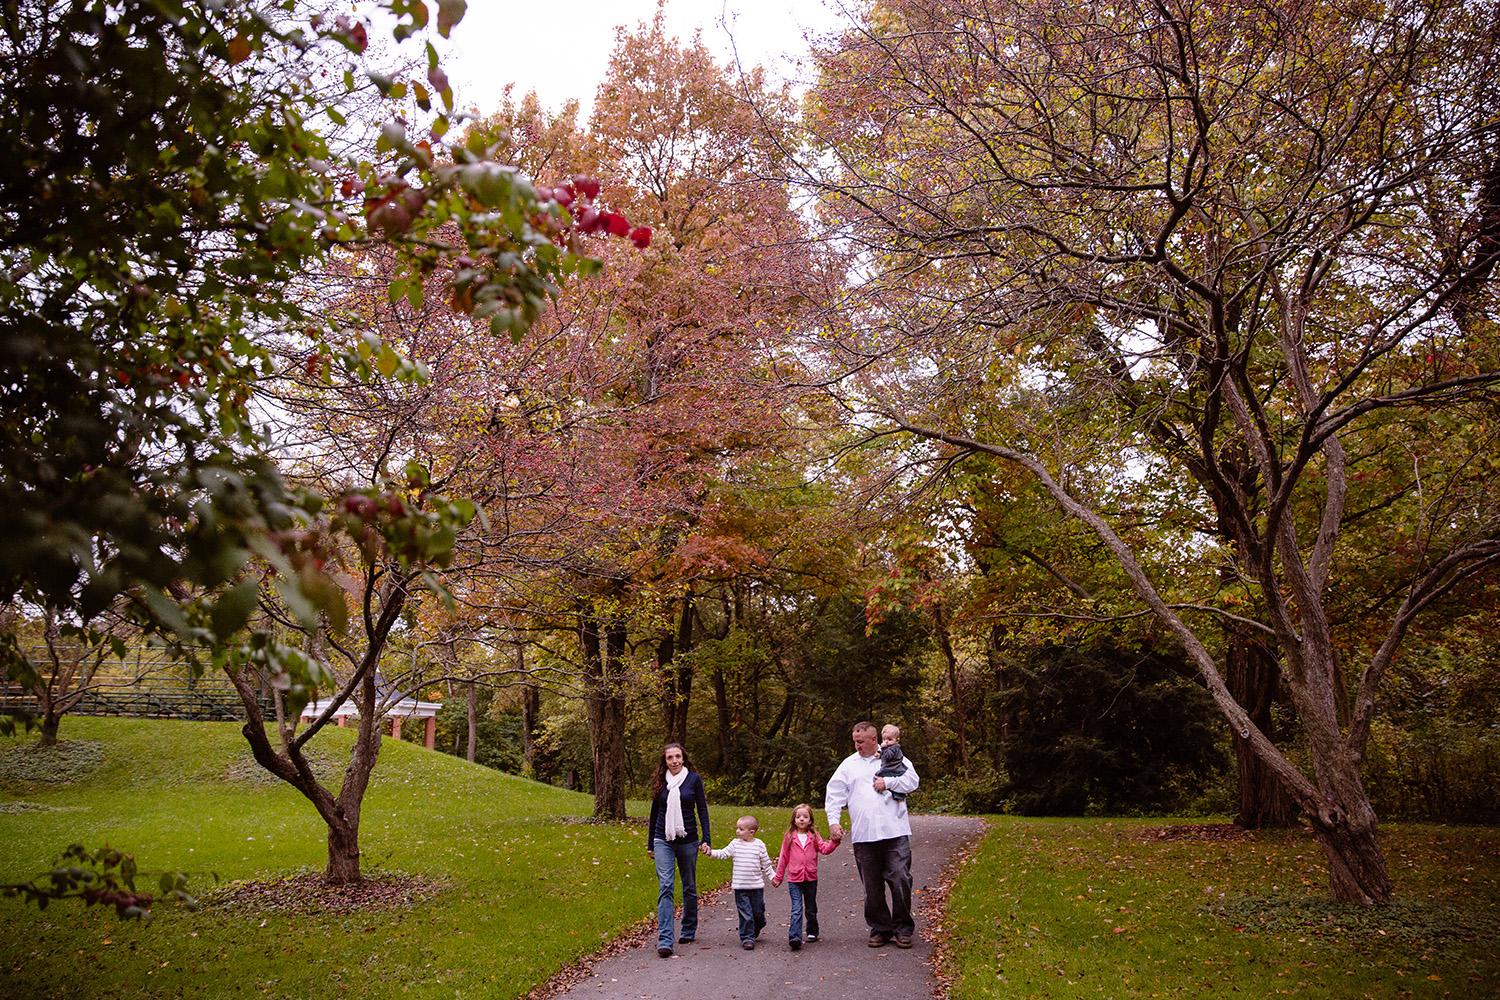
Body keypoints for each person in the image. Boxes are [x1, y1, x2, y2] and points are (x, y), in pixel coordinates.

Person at [825, 720, 920, 949]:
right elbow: (834, 794)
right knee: (872, 886)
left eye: (861, 741)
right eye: (855, 741)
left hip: (894, 831)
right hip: (864, 834)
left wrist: (888, 782)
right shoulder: (848, 765)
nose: (857, 746)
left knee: (900, 879)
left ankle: (903, 929)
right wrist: (833, 823)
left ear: (874, 740)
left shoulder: (894, 757)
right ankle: (880, 929)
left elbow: (912, 781)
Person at [646, 743, 711, 958]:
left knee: (689, 886)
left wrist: (706, 838)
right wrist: (650, 843)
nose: (674, 761)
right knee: (666, 885)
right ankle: (665, 939)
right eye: (670, 758)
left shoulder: (694, 779)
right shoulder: (661, 782)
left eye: (678, 757)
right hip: (662, 839)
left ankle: (689, 928)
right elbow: (655, 812)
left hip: (688, 840)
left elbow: (702, 808)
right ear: (664, 761)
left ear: (684, 758)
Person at [770, 803, 839, 950]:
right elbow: (783, 858)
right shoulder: (789, 837)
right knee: (796, 908)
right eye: (798, 817)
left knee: (810, 906)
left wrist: (835, 842)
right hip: (794, 879)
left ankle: (812, 931)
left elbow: (824, 849)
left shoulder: (813, 836)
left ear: (810, 820)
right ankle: (794, 936)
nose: (802, 819)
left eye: (805, 817)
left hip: (810, 878)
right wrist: (778, 877)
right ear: (794, 820)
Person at [708, 814, 778, 950]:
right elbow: (723, 853)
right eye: (737, 828)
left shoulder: (759, 845)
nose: (737, 831)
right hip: (740, 887)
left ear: (752, 832)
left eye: (741, 829)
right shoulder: (735, 844)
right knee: (746, 913)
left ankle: (757, 925)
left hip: (756, 887)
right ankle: (747, 938)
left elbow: (766, 864)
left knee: (758, 913)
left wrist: (773, 877)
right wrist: (711, 852)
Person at [874, 723, 908, 802]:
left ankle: (886, 793)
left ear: (897, 740)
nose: (886, 742)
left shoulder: (894, 748)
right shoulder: (891, 747)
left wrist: (883, 747)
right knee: (896, 788)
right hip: (893, 770)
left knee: (875, 778)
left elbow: (888, 756)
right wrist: (879, 755)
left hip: (891, 770)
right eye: (884, 739)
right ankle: (900, 801)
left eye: (889, 740)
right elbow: (886, 755)